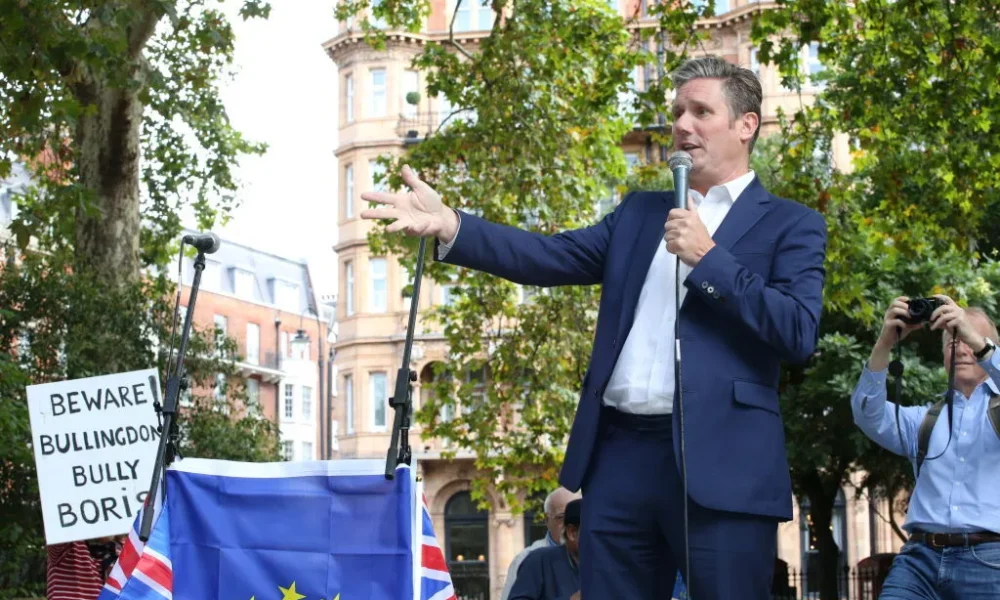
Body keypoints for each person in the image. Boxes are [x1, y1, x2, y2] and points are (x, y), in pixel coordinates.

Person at [360, 55, 827, 598]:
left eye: (702, 111)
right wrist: (453, 227)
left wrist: (709, 258)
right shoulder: (639, 214)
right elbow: (548, 255)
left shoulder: (791, 223)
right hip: (620, 454)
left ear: (747, 125)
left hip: (723, 462)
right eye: (677, 111)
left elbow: (797, 330)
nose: (682, 124)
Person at [851, 295, 1000, 599]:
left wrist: (972, 337)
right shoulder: (925, 420)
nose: (960, 347)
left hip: (989, 559)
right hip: (920, 560)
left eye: (969, 339)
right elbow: (869, 415)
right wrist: (885, 344)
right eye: (951, 342)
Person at [501, 487, 580, 600]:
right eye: (562, 517)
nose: (568, 525)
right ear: (547, 520)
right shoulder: (529, 558)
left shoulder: (598, 560)